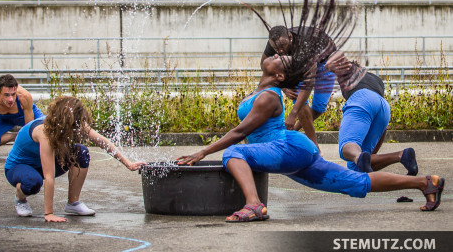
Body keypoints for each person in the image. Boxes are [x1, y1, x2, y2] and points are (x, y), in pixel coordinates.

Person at [177, 53, 444, 222]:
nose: (278, 54)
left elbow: (239, 133)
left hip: (286, 148)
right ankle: (425, 183)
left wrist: (202, 152)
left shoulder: (269, 96)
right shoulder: (264, 90)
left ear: (279, 75)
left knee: (234, 152)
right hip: (290, 153)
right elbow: (296, 99)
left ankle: (254, 205)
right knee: (355, 182)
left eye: (281, 58)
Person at [4, 95, 145, 222]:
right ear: (67, 120)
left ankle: (73, 203)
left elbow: (103, 142)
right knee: (32, 183)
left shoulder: (75, 123)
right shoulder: (44, 132)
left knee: (81, 152)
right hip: (18, 167)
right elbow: (49, 176)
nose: (79, 128)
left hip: (42, 165)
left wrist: (128, 164)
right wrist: (49, 214)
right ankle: (20, 198)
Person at [324, 51, 418, 175]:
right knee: (357, 165)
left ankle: (366, 160)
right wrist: (370, 156)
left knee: (347, 148)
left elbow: (331, 60)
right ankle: (402, 155)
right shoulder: (374, 78)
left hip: (362, 100)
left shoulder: (348, 70)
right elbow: (380, 125)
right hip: (383, 107)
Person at [261, 25, 336, 150]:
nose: (279, 51)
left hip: (327, 60)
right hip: (299, 64)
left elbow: (309, 81)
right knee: (299, 100)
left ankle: (289, 133)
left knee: (319, 108)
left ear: (290, 38)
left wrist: (293, 115)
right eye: (276, 48)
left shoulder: (304, 44)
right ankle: (315, 149)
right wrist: (284, 86)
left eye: (282, 46)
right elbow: (265, 65)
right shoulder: (274, 42)